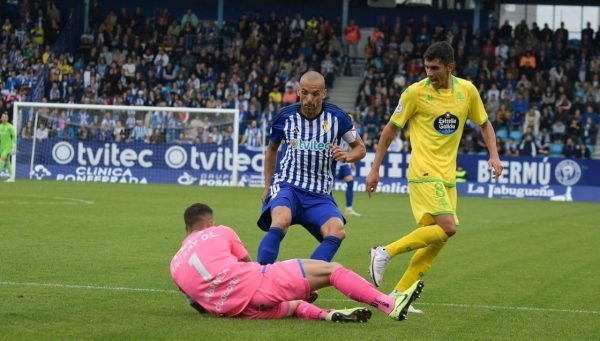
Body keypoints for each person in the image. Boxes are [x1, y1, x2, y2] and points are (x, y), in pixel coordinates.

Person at [366, 42, 503, 313]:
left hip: (447, 175)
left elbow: (485, 124)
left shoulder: (467, 91)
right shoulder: (415, 93)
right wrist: (375, 168)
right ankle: (384, 252)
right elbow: (389, 132)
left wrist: (494, 155)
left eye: (435, 68)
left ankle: (399, 294)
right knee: (449, 227)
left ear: (450, 67)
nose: (429, 72)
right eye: (427, 67)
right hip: (423, 171)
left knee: (438, 237)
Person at [170, 203, 424, 322]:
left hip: (237, 311)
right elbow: (250, 265)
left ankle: (326, 316)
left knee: (292, 306)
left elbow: (198, 306)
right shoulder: (220, 231)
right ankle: (389, 303)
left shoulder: (174, 264)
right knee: (331, 270)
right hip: (256, 285)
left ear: (186, 228)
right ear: (209, 223)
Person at [256, 71, 366, 265]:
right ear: (298, 92)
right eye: (305, 93)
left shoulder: (338, 118)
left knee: (337, 231)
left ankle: (306, 281)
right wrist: (268, 186)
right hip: (288, 186)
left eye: (315, 94)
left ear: (324, 93)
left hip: (319, 194)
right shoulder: (285, 117)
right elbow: (271, 151)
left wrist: (347, 155)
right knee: (280, 220)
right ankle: (260, 278)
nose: (309, 99)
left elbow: (360, 149)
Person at [336, 139, 361, 216]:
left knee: (350, 183)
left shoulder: (347, 134)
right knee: (328, 185)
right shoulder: (335, 131)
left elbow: (349, 149)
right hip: (334, 163)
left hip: (344, 164)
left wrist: (352, 163)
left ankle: (348, 209)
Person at [0, 112, 16, 182]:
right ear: (1, 118)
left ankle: (12, 177)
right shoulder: (0, 126)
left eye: (5, 117)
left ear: (7, 119)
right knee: (7, 162)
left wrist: (13, 146)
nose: (4, 118)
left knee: (1, 160)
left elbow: (14, 136)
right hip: (2, 147)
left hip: (8, 147)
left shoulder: (10, 127)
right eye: (3, 117)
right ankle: (12, 177)